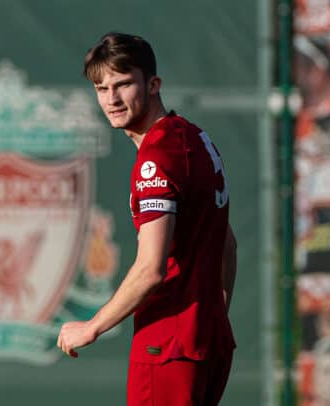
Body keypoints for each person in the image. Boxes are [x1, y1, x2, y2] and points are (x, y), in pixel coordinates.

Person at [56, 32, 237, 405]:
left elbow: (150, 270)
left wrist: (92, 327)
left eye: (123, 84)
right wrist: (213, 314)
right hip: (207, 339)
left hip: (166, 345)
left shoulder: (155, 158)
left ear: (153, 84)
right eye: (101, 88)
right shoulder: (194, 138)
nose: (112, 99)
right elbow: (227, 242)